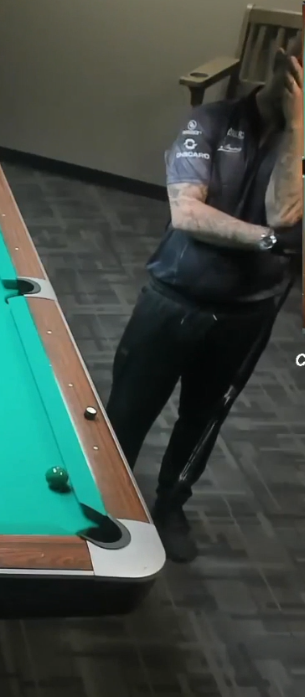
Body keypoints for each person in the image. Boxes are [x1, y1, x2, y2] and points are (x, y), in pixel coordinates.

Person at [106, 35, 303, 563]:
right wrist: (267, 241)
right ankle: (106, 500)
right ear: (283, 63)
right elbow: (188, 214)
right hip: (174, 296)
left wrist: (297, 127)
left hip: (249, 311)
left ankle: (171, 504)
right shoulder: (210, 122)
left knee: (203, 419)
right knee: (127, 410)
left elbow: (284, 212)